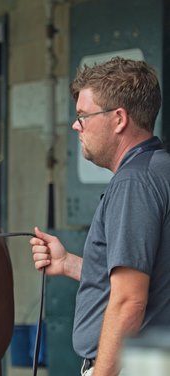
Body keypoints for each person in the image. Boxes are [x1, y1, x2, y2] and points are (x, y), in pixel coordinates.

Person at [30, 57, 170, 376]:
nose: (76, 125)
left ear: (119, 119)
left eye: (83, 115)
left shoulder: (134, 183)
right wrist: (69, 264)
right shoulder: (160, 171)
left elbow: (128, 301)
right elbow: (152, 276)